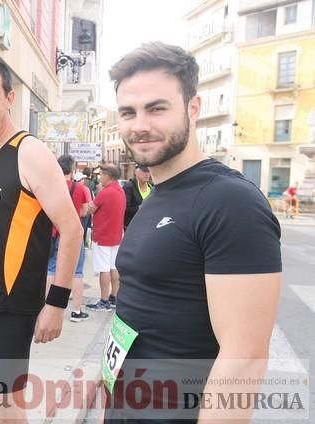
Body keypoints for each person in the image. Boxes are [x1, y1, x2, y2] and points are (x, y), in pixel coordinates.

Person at [103, 42, 281, 422]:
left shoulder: (229, 201)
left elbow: (244, 359)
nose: (140, 125)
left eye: (157, 108)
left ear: (193, 107)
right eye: (128, 112)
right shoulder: (158, 191)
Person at [0, 59, 83, 423]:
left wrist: (56, 303)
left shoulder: (29, 152)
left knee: (6, 404)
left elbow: (72, 230)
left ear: (9, 98)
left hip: (9, 304)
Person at [47, 154, 91, 323]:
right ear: (72, 169)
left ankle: (46, 306)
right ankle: (76, 311)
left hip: (53, 232)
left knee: (50, 269)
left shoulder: (51, 186)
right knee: (77, 271)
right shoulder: (80, 188)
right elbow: (84, 211)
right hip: (73, 234)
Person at [86, 164, 125, 312]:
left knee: (103, 269)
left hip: (103, 236)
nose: (100, 177)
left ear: (108, 176)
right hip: (116, 236)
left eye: (101, 175)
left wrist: (91, 205)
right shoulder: (120, 191)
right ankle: (114, 297)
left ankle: (103, 301)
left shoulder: (105, 192)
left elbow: (91, 208)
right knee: (114, 267)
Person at [122, 163, 153, 229]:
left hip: (149, 225)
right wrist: (141, 208)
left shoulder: (152, 187)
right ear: (136, 172)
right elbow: (125, 208)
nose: (147, 174)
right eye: (144, 171)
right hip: (132, 226)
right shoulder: (129, 187)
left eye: (148, 171)